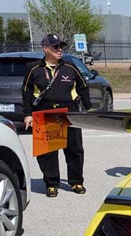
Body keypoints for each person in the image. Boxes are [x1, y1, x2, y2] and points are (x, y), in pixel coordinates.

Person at [22, 33, 92, 198]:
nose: (60, 49)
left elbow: (83, 87)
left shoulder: (70, 67)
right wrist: (28, 114)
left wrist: (88, 108)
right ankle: (51, 183)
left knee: (74, 149)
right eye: (56, 47)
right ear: (45, 48)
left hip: (69, 111)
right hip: (45, 111)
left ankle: (76, 181)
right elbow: (26, 93)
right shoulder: (34, 69)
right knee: (47, 151)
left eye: (61, 46)